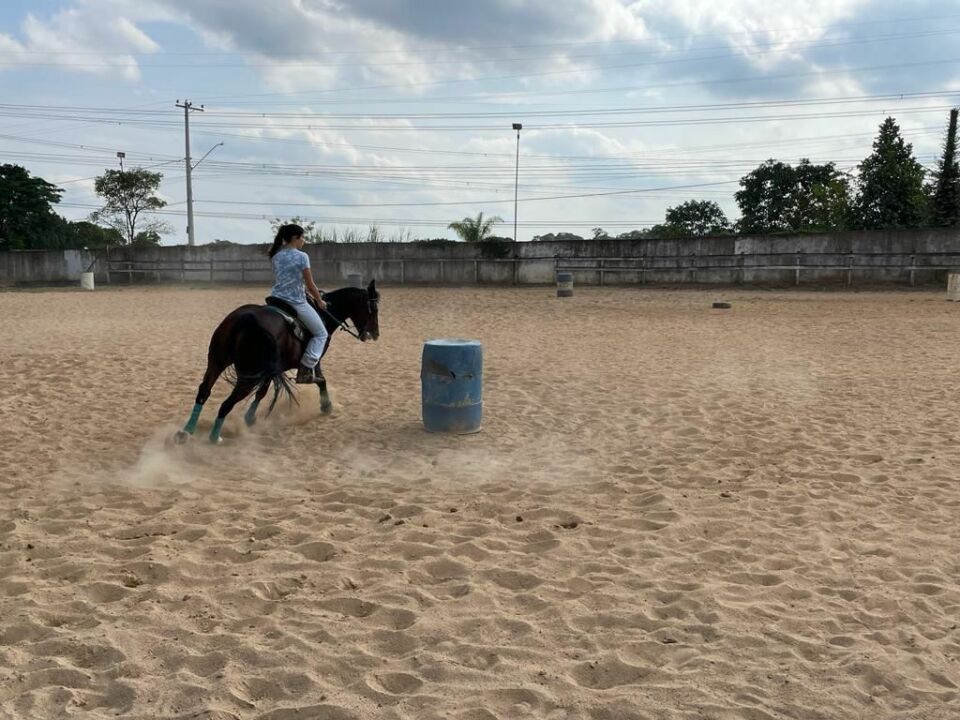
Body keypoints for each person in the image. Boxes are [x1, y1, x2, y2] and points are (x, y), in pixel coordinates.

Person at [267, 224, 329, 383]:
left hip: (275, 298)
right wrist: (319, 301)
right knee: (321, 334)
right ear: (295, 238)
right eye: (302, 237)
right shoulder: (302, 256)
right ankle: (306, 369)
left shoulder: (275, 256)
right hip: (295, 301)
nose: (304, 241)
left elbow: (286, 280)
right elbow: (310, 284)